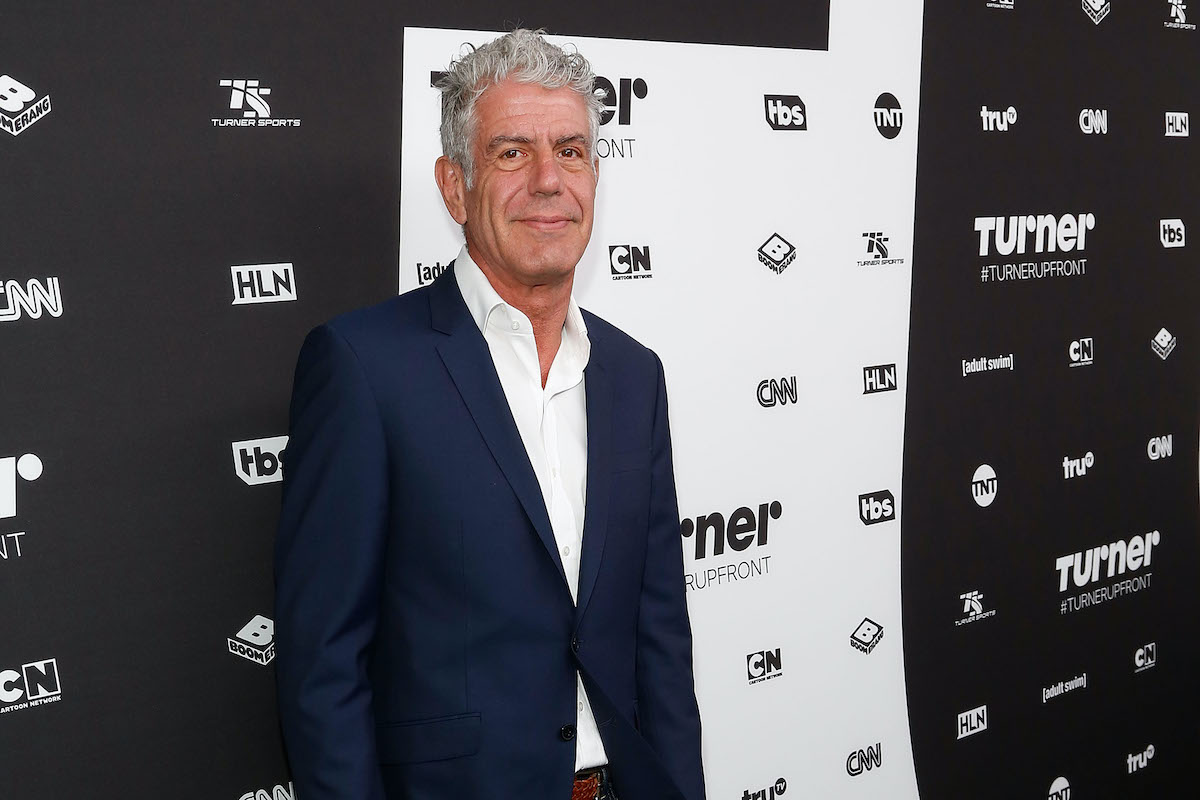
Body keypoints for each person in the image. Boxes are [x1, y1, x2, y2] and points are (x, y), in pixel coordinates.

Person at [274, 28, 705, 800]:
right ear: (454, 186)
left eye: (571, 151)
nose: (548, 180)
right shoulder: (364, 367)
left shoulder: (635, 375)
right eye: (512, 153)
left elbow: (660, 639)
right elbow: (322, 664)